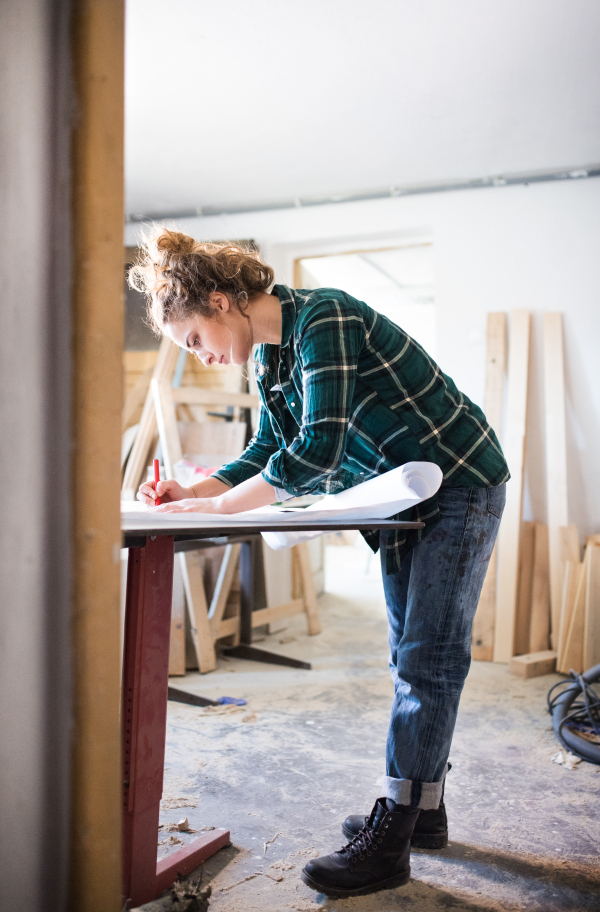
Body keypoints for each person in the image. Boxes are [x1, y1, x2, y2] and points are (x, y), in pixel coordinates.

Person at [131, 229, 509, 898]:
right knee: (411, 653)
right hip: (399, 496)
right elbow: (268, 449)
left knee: (429, 659)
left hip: (458, 482)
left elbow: (315, 453)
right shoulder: (266, 359)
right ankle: (424, 815)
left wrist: (225, 513)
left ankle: (391, 839)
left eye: (195, 340)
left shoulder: (323, 318)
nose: (203, 356)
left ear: (221, 302)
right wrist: (194, 492)